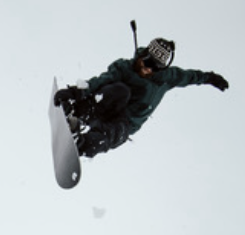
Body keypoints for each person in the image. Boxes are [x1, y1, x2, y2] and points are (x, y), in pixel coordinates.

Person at [54, 36, 229, 158]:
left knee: (118, 132)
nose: (147, 70)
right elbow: (101, 81)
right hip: (106, 107)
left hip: (125, 122)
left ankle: (82, 145)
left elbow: (191, 76)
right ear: (142, 56)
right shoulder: (125, 67)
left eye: (154, 69)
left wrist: (211, 78)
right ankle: (77, 113)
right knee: (120, 90)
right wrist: (76, 92)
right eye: (146, 63)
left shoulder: (167, 78)